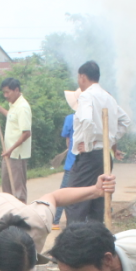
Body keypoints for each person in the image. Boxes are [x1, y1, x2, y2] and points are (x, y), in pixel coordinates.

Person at [66, 61, 131, 225]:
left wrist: (88, 144)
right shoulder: (108, 97)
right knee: (97, 200)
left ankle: (76, 240)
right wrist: (109, 140)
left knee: (75, 199)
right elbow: (125, 121)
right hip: (104, 156)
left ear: (82, 77)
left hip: (90, 156)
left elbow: (87, 120)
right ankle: (95, 239)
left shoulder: (87, 95)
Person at [0, 77, 32, 203]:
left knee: (17, 190)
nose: (5, 95)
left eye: (7, 92)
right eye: (4, 92)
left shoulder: (23, 107)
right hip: (8, 154)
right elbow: (11, 117)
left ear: (16, 90)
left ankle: (21, 217)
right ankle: (9, 214)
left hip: (16, 155)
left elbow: (26, 133)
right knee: (6, 188)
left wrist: (11, 149)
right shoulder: (14, 105)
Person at [53, 89, 80, 229]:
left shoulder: (70, 119)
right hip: (86, 164)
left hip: (71, 162)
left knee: (64, 191)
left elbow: (68, 141)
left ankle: (55, 221)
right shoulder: (92, 119)